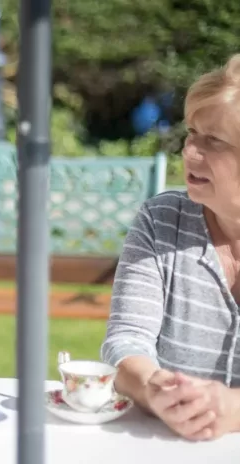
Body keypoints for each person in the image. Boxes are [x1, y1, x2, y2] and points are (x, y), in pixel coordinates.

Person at [101, 54, 240, 442]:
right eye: (192, 133)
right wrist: (153, 388)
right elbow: (126, 339)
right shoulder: (162, 219)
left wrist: (232, 409)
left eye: (213, 140)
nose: (190, 152)